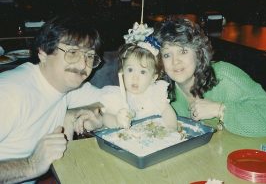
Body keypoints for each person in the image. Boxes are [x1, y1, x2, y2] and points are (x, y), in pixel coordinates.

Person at [153, 17, 266, 140]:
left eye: (183, 51)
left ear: (198, 53)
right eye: (167, 55)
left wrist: (219, 109)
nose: (175, 61)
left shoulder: (223, 75)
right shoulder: (168, 95)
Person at [0, 14, 106, 183]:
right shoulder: (10, 94)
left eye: (90, 56)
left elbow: (112, 99)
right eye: (72, 53)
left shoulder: (68, 86)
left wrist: (80, 113)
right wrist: (31, 165)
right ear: (43, 53)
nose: (82, 65)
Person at [75, 22, 177, 131]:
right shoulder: (117, 96)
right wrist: (117, 121)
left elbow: (167, 112)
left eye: (142, 72)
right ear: (122, 71)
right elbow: (106, 118)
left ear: (153, 78)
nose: (135, 77)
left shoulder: (155, 94)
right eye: (130, 70)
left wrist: (171, 129)